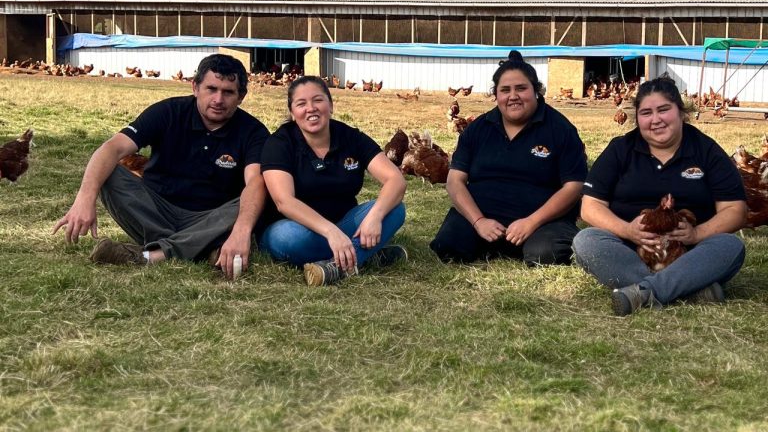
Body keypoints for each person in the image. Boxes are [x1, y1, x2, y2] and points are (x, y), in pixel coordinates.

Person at [53, 54, 272, 279]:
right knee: (109, 172)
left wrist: (241, 231)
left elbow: (255, 181)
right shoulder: (168, 112)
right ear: (195, 87)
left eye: (228, 92)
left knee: (260, 192)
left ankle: (153, 255)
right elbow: (112, 149)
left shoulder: (253, 132)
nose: (218, 99)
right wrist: (84, 199)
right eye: (211, 89)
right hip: (156, 212)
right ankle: (201, 247)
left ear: (241, 96)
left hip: (210, 218)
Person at [572, 76, 747, 316]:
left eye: (664, 110)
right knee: (586, 241)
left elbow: (735, 210)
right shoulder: (620, 149)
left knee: (730, 246)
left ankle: (643, 291)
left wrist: (696, 233)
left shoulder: (706, 150)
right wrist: (627, 230)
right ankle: (688, 287)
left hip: (689, 252)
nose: (655, 120)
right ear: (637, 117)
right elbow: (590, 206)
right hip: (630, 250)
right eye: (646, 113)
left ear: (680, 112)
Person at [430, 50, 587, 265]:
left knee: (545, 253)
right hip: (484, 216)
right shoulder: (478, 128)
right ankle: (488, 240)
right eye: (505, 90)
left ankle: (523, 245)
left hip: (542, 222)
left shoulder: (561, 129)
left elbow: (574, 186)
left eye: (521, 88)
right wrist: (478, 221)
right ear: (496, 94)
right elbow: (454, 181)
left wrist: (532, 222)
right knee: (448, 246)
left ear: (536, 91)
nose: (513, 96)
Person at [259, 76, 407, 286]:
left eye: (318, 100)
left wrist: (375, 216)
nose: (311, 108)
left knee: (395, 209)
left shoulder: (350, 137)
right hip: (296, 228)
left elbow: (396, 180)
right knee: (288, 238)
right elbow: (284, 202)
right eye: (301, 104)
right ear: (292, 113)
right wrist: (331, 232)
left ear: (330, 105)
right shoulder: (279, 143)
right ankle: (365, 255)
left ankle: (334, 267)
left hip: (343, 223)